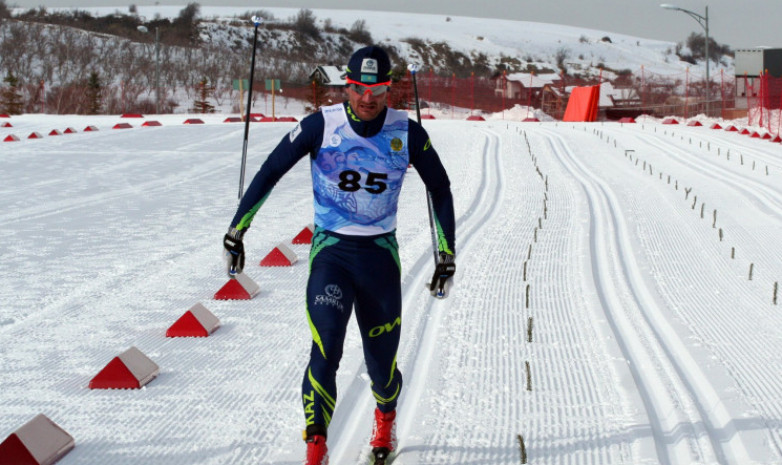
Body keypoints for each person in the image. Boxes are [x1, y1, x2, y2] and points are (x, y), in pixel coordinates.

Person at [222, 45, 456, 465]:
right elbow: (270, 170)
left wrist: (445, 253)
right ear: (346, 86)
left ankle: (385, 419)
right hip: (332, 253)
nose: (368, 99)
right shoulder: (319, 126)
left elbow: (439, 188)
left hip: (380, 259)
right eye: (358, 89)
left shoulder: (408, 132)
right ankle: (316, 448)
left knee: (381, 368)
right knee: (325, 348)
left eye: (378, 90)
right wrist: (237, 230)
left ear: (389, 89)